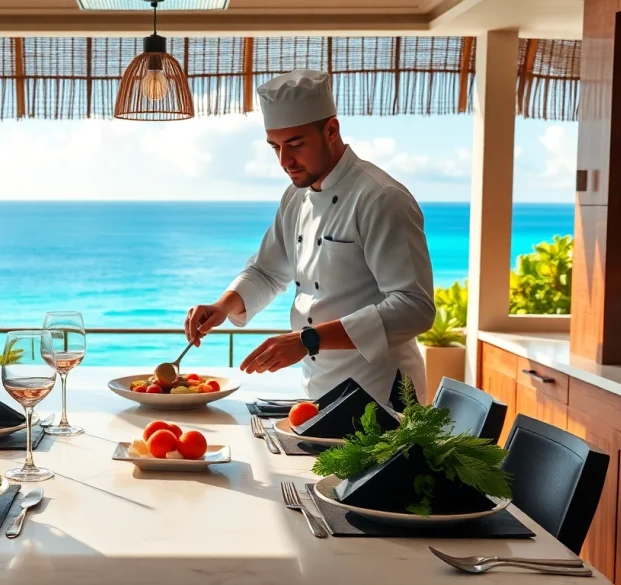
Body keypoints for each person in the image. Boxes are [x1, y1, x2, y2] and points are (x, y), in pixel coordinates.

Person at [184, 69, 435, 404]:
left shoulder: (380, 197)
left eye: (296, 144)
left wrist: (308, 340)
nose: (285, 161)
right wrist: (222, 306)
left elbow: (414, 307)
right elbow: (267, 271)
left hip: (382, 392)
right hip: (319, 388)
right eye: (275, 147)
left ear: (331, 130)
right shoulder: (296, 196)